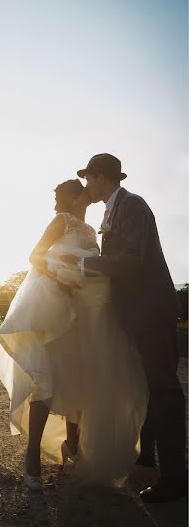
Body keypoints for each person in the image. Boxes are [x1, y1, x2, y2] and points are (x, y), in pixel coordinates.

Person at [0, 178, 148, 491]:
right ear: (77, 196)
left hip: (85, 311)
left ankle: (72, 446)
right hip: (54, 303)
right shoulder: (61, 221)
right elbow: (35, 256)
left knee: (76, 378)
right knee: (47, 379)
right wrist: (59, 279)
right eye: (84, 188)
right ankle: (32, 456)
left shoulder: (95, 230)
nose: (90, 191)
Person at [64, 153, 187, 503]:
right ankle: (146, 457)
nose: (86, 184)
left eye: (88, 178)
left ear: (101, 177)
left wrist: (87, 264)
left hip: (150, 310)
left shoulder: (132, 206)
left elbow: (132, 260)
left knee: (163, 389)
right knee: (144, 383)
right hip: (135, 313)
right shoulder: (112, 210)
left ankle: (177, 476)